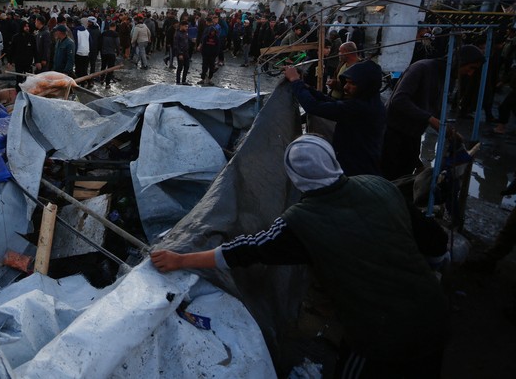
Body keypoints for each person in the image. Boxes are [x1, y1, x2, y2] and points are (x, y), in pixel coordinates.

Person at [151, 135, 449, 378]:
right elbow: (436, 241)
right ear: (333, 161)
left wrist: (180, 260)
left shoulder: (300, 221)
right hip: (436, 313)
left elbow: (243, 250)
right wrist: (433, 271)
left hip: (381, 336)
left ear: (294, 178)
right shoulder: (380, 186)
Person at [382, 44, 485, 180]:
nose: (470, 73)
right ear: (461, 61)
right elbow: (398, 100)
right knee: (389, 178)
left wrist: (447, 130)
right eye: (471, 68)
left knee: (405, 176)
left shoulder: (445, 77)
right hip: (392, 133)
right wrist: (430, 119)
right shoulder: (422, 68)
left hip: (412, 134)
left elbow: (433, 107)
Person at [284, 60, 385, 176]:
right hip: (358, 161)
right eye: (346, 83)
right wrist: (306, 88)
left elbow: (314, 107)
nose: (346, 87)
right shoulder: (369, 100)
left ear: (366, 85)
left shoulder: (360, 108)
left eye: (352, 83)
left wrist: (295, 81)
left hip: (358, 168)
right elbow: (332, 102)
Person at [100, 21, 120, 86]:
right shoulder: (115, 34)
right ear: (114, 27)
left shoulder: (103, 33)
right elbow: (117, 44)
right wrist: (118, 52)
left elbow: (100, 42)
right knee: (110, 68)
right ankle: (107, 83)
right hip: (111, 53)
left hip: (104, 53)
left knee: (103, 66)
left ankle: (102, 79)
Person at [174, 20, 191, 85]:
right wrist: (180, 53)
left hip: (186, 52)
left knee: (186, 66)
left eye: (187, 26)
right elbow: (176, 45)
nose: (187, 28)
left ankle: (184, 80)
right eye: (185, 26)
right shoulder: (177, 34)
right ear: (181, 26)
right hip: (180, 53)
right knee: (180, 67)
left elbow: (186, 41)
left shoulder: (186, 32)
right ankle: (178, 81)